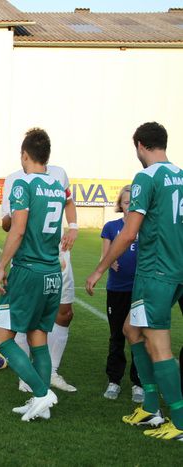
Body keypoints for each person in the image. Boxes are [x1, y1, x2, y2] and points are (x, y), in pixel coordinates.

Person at [86, 122, 183, 441]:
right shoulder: (180, 176)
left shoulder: (146, 177)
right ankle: (151, 408)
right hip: (174, 270)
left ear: (140, 145)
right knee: (131, 329)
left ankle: (180, 422)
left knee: (159, 345)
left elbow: (129, 232)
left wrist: (99, 269)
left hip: (155, 272)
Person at [0, 128, 64, 421]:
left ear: (25, 155)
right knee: (38, 337)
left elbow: (18, 229)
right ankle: (40, 403)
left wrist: (2, 265)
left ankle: (42, 392)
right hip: (52, 272)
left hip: (28, 272)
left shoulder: (22, 184)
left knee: (1, 337)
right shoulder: (57, 186)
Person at [2, 165, 79, 393]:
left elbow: (69, 201)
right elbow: (8, 224)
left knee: (64, 313)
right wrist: (17, 213)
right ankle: (27, 375)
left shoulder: (59, 174)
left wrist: (73, 227)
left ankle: (50, 373)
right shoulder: (15, 179)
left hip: (58, 257)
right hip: (28, 261)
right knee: (25, 320)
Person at [100, 185, 142, 402]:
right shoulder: (111, 227)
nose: (130, 206)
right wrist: (110, 261)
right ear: (120, 204)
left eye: (133, 203)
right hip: (117, 289)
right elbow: (104, 256)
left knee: (138, 336)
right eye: (126, 202)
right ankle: (114, 380)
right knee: (117, 336)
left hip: (140, 290)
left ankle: (138, 383)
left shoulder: (145, 227)